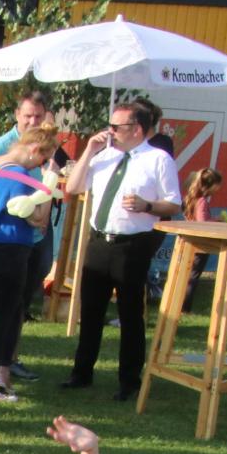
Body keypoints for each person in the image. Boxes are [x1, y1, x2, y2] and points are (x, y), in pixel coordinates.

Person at [58, 98, 182, 400]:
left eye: (117, 126)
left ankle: (129, 380)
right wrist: (89, 150)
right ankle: (81, 372)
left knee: (129, 315)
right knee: (91, 311)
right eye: (109, 125)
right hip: (100, 241)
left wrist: (147, 205)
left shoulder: (158, 159)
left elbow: (174, 203)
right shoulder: (104, 156)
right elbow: (73, 187)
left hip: (132, 245)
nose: (110, 131)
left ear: (136, 129)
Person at [0, 125, 59, 400]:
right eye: (42, 160)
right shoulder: (18, 175)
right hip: (9, 249)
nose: (40, 165)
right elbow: (37, 217)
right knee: (4, 318)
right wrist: (49, 181)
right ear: (34, 150)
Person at [0, 88, 66, 358]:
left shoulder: (46, 142)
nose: (32, 121)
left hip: (31, 235)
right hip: (5, 235)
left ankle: (6, 360)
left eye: (38, 116)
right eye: (27, 116)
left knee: (19, 300)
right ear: (17, 114)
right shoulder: (9, 145)